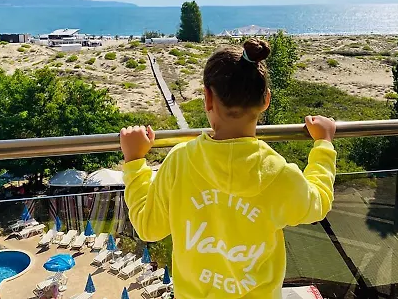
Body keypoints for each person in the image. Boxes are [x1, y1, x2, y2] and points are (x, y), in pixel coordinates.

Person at [120, 38, 336, 299]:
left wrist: (135, 162)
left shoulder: (180, 161)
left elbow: (148, 227)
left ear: (207, 98)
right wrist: (323, 144)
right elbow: (318, 203)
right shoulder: (279, 173)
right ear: (266, 99)